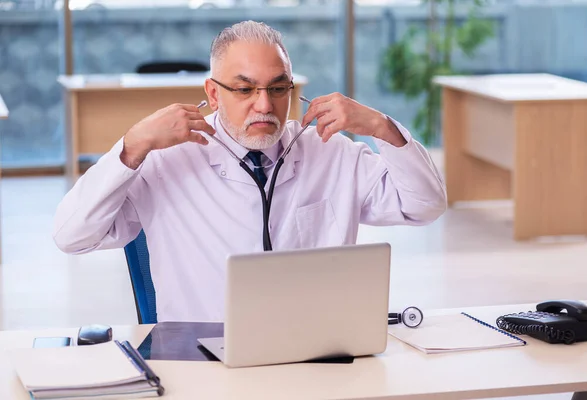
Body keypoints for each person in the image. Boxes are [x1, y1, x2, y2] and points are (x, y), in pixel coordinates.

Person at [53, 20, 447, 322]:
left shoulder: (330, 152)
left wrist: (382, 127)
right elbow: (72, 237)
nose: (264, 105)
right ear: (212, 94)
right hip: (204, 362)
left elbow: (425, 206)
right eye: (244, 90)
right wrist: (132, 146)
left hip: (317, 356)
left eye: (278, 89)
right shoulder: (165, 163)